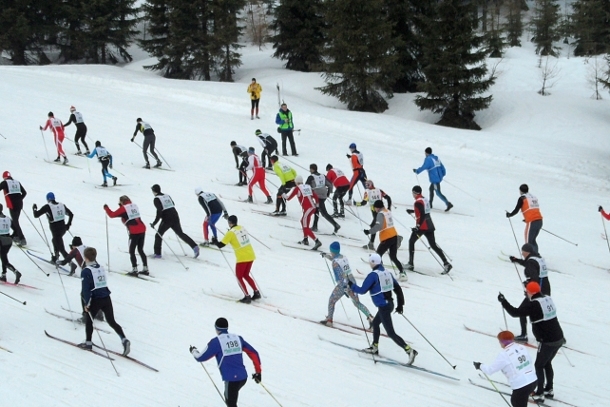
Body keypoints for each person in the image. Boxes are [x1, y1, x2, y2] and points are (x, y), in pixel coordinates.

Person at [499, 281, 566, 402]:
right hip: (558, 338)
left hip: (547, 341)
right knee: (546, 363)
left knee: (539, 365)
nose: (526, 294)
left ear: (530, 292)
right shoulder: (546, 298)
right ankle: (549, 389)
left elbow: (515, 313)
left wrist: (504, 302)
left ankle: (539, 393)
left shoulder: (533, 305)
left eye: (526, 292)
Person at [349, 253, 417, 364]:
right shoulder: (387, 273)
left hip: (383, 307)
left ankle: (410, 350)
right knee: (375, 324)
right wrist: (400, 305)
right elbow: (398, 289)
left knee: (391, 333)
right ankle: (374, 347)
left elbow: (362, 290)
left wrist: (351, 285)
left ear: (372, 263)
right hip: (389, 304)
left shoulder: (373, 275)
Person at [190, 317, 262, 407]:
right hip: (243, 377)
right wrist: (258, 372)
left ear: (216, 329)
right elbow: (254, 353)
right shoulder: (237, 339)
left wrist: (194, 351)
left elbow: (200, 357)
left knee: (231, 403)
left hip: (232, 379)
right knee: (230, 398)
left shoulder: (216, 342)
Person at [78, 247, 131, 356]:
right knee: (111, 321)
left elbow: (85, 290)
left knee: (89, 320)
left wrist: (87, 304)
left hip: (95, 299)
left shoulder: (86, 271)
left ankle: (88, 342)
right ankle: (124, 339)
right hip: (106, 297)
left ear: (85, 258)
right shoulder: (100, 267)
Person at [473, 331, 537, 407]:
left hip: (521, 385)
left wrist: (480, 366)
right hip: (533, 381)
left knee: (516, 402)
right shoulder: (521, 347)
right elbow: (529, 360)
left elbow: (490, 370)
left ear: (502, 342)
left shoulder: (504, 355)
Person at [319, 242, 373, 327]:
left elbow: (341, 275)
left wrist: (344, 288)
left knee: (332, 300)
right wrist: (326, 255)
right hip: (352, 282)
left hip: (343, 284)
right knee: (357, 303)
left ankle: (329, 320)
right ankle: (370, 318)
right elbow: (335, 259)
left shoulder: (335, 263)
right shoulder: (343, 257)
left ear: (332, 251)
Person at [211, 216, 260, 303]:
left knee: (239, 277)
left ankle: (247, 296)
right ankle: (256, 292)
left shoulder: (230, 233)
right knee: (246, 275)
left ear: (230, 223)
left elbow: (221, 245)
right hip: (250, 255)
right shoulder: (241, 228)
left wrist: (215, 241)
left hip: (242, 258)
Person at [509, 243, 551, 342]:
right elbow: (530, 264)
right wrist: (517, 260)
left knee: (522, 310)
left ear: (526, 252)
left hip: (537, 291)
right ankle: (556, 335)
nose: (522, 253)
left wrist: (528, 285)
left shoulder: (531, 262)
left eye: (522, 252)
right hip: (546, 289)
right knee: (545, 312)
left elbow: (534, 278)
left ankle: (524, 335)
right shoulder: (538, 258)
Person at [406, 185, 452, 274]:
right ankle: (446, 263)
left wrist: (418, 226)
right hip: (429, 224)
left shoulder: (417, 202)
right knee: (433, 245)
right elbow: (425, 210)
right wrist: (412, 211)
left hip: (423, 226)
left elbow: (422, 214)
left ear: (415, 193)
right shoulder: (424, 199)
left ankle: (410, 263)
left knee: (411, 241)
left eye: (413, 193)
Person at [150, 184, 199, 259]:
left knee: (158, 235)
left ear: (153, 191)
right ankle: (194, 246)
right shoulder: (167, 195)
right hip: (175, 215)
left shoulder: (156, 199)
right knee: (180, 233)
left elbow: (159, 211)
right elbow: (173, 203)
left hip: (167, 218)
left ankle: (157, 254)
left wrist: (154, 223)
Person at [104, 195, 149, 276]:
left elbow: (112, 215)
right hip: (142, 228)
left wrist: (106, 208)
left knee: (132, 251)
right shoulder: (134, 205)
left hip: (134, 231)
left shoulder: (124, 208)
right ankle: (145, 268)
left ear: (121, 202)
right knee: (140, 249)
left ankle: (134, 269)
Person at [365, 200, 405, 279]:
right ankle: (402, 272)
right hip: (394, 235)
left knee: (378, 255)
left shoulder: (380, 214)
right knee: (393, 257)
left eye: (375, 208)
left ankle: (381, 272)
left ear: (377, 207)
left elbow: (378, 227)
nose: (374, 210)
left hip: (386, 237)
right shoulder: (387, 211)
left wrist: (369, 231)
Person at [33, 192, 74, 263]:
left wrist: (34, 209)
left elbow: (36, 215)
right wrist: (68, 224)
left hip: (55, 229)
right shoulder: (61, 205)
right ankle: (56, 257)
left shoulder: (48, 207)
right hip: (63, 228)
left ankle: (70, 263)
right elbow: (71, 214)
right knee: (54, 241)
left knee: (61, 247)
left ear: (48, 199)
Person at [285, 175, 322, 250]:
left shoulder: (297, 188)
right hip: (312, 207)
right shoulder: (308, 187)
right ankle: (305, 239)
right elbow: (316, 196)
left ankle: (317, 241)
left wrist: (282, 194)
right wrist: (317, 206)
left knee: (305, 227)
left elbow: (288, 198)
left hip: (308, 208)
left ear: (296, 182)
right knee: (303, 221)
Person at [355, 180, 392, 250]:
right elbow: (388, 198)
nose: (367, 186)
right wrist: (389, 208)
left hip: (375, 211)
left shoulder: (367, 192)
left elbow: (363, 203)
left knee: (375, 226)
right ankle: (372, 243)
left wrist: (356, 204)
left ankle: (372, 244)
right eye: (366, 185)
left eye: (368, 185)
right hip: (382, 210)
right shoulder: (379, 190)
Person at [506, 184, 543, 253]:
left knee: (528, 242)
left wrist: (509, 215)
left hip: (532, 222)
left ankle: (531, 257)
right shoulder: (533, 197)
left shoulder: (522, 198)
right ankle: (536, 255)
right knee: (532, 240)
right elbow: (532, 209)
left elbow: (516, 210)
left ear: (520, 190)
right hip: (539, 221)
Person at [413, 147, 453, 212]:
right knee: (431, 189)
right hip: (438, 177)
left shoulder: (428, 159)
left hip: (435, 179)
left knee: (438, 193)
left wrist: (417, 171)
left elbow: (424, 167)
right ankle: (430, 203)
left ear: (426, 153)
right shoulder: (436, 158)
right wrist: (442, 175)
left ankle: (448, 203)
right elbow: (442, 167)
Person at [307, 164, 340, 234]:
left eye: (310, 169)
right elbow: (330, 184)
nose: (310, 170)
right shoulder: (323, 176)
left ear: (312, 169)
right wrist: (328, 192)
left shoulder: (311, 177)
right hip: (324, 195)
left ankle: (336, 225)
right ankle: (315, 226)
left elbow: (306, 186)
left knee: (324, 213)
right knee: (316, 210)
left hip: (317, 196)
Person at [0, 171, 27, 246]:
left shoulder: (5, 183)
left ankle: (22, 238)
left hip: (12, 204)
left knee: (15, 222)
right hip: (20, 203)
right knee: (15, 221)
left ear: (4, 177)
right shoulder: (16, 182)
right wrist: (19, 199)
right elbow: (24, 193)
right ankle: (16, 235)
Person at [0, 204, 21, 284]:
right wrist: (11, 237)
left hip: (1, 240)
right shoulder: (8, 219)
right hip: (8, 241)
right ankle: (3, 275)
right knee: (3, 257)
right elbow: (16, 230)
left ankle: (16, 272)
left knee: (4, 260)